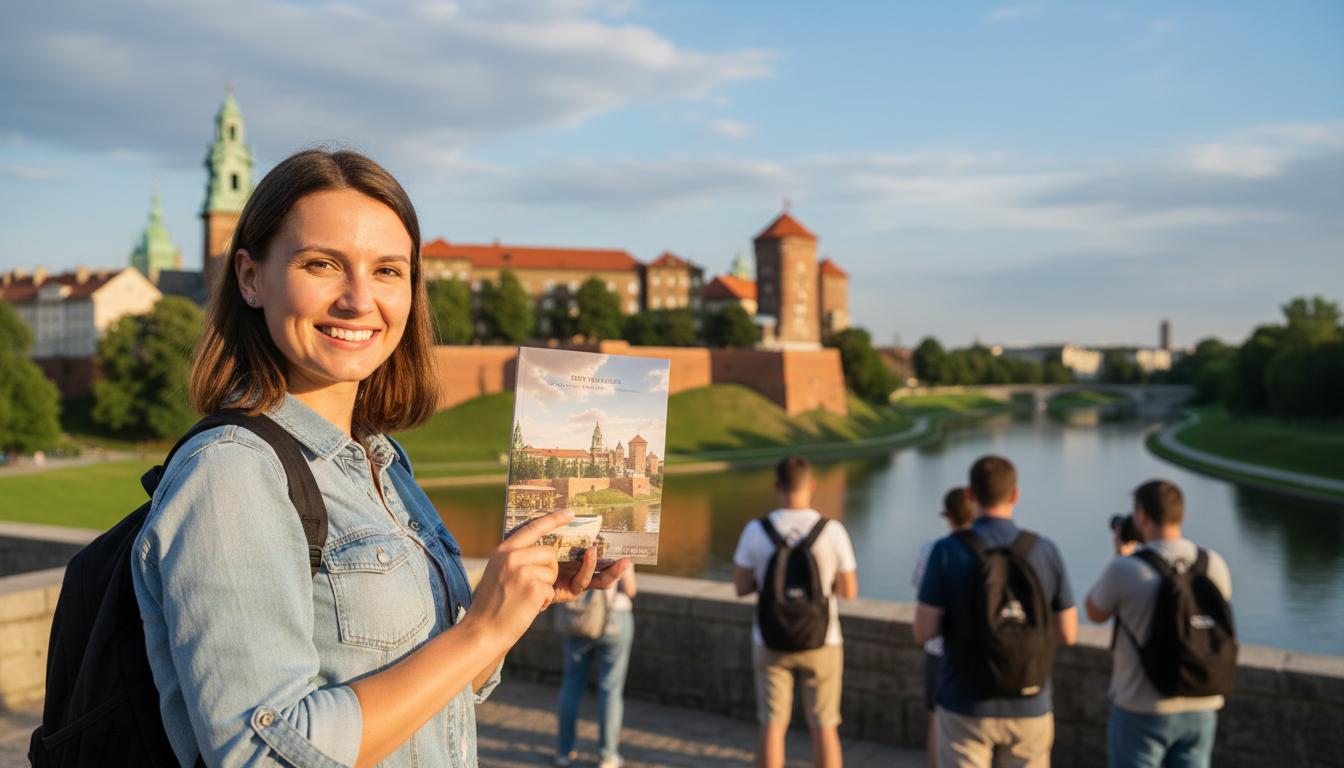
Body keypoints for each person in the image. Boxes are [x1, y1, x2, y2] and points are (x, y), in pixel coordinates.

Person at [131, 149, 630, 767]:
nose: (358, 299)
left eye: (388, 270)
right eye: (322, 265)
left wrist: (510, 607)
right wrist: (481, 632)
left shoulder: (381, 462)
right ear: (250, 277)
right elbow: (261, 757)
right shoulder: (232, 472)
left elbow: (435, 704)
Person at [913, 455, 1078, 768]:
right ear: (1015, 495)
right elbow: (1068, 632)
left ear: (970, 495)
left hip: (964, 702)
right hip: (1030, 702)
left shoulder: (947, 550)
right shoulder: (1045, 550)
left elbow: (923, 631)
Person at [1085, 480, 1233, 768]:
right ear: (1181, 515)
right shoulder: (1213, 563)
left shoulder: (1126, 569)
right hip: (1202, 702)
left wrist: (1120, 556)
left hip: (1142, 706)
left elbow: (1094, 611)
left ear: (1141, 516)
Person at [732, 456, 858, 768]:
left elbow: (741, 586)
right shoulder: (832, 530)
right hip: (823, 639)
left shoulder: (756, 530)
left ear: (777, 486)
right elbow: (849, 591)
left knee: (773, 725)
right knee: (825, 726)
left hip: (770, 637)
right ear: (812, 485)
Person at [910, 487, 975, 768]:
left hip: (938, 651)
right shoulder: (993, 549)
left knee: (937, 721)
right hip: (974, 650)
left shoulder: (932, 549)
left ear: (946, 516)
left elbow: (919, 589)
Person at [554, 570, 638, 768]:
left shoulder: (577, 541)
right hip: (615, 619)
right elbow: (630, 589)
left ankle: (564, 752)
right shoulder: (621, 542)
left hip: (579, 618)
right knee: (611, 689)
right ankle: (607, 756)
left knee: (571, 685)